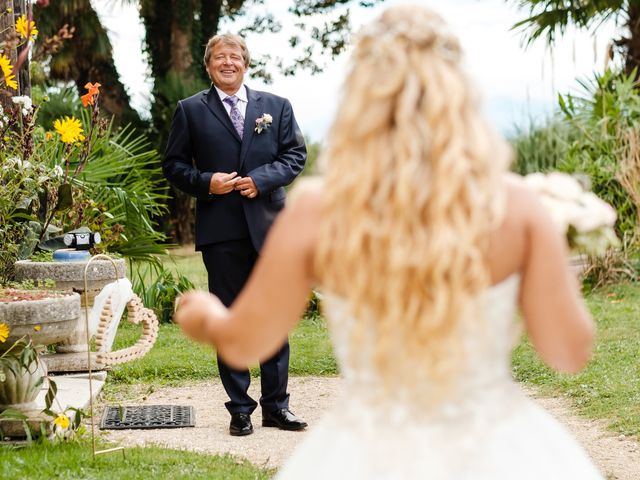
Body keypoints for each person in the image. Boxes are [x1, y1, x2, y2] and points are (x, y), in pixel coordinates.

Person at [174, 7, 604, 479]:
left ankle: (276, 407)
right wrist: (552, 259)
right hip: (501, 451)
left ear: (361, 97)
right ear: (458, 91)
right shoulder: (519, 207)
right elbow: (570, 350)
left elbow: (245, 338)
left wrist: (203, 314)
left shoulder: (319, 211)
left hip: (364, 453)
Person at [163, 33, 307, 437]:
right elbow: (173, 165)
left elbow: (295, 155)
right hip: (221, 231)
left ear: (246, 63)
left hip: (271, 230)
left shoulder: (276, 107)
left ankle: (277, 407)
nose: (228, 63)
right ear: (208, 66)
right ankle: (240, 409)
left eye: (235, 57)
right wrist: (209, 182)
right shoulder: (190, 110)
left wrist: (259, 180)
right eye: (219, 58)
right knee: (229, 317)